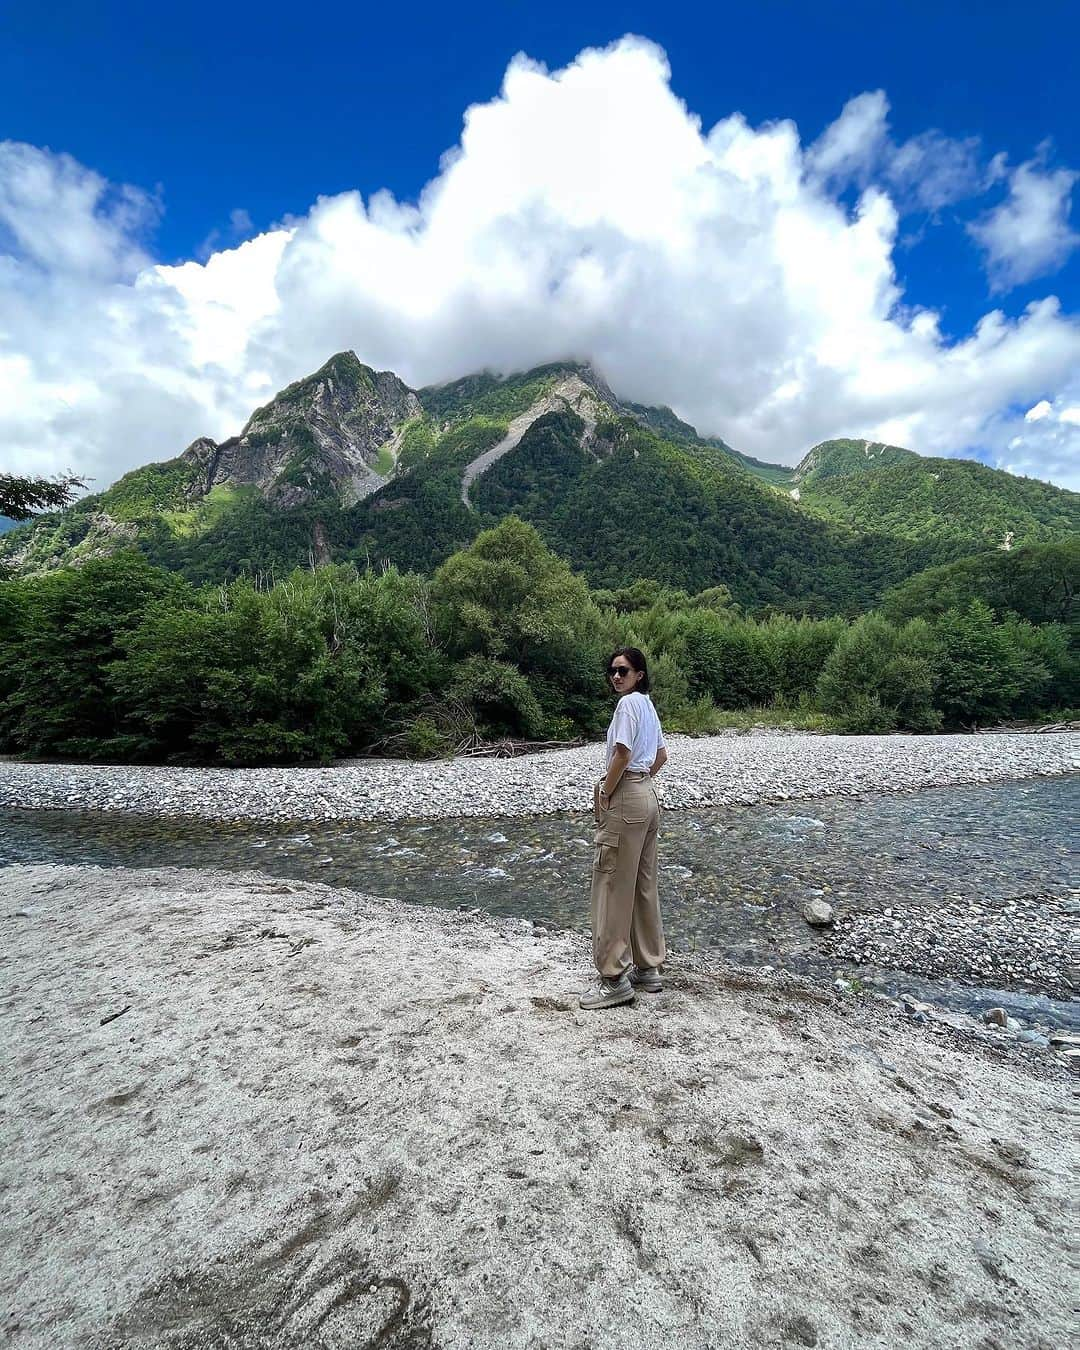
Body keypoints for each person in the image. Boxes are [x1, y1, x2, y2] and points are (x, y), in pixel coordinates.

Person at [580, 646, 668, 1010]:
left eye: (623, 671)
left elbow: (621, 752)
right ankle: (648, 968)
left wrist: (606, 789)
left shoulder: (628, 705)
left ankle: (613, 978)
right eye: (612, 671)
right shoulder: (648, 707)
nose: (616, 676)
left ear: (639, 675)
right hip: (648, 794)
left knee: (613, 883)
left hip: (627, 795)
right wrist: (640, 784)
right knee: (643, 883)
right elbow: (661, 755)